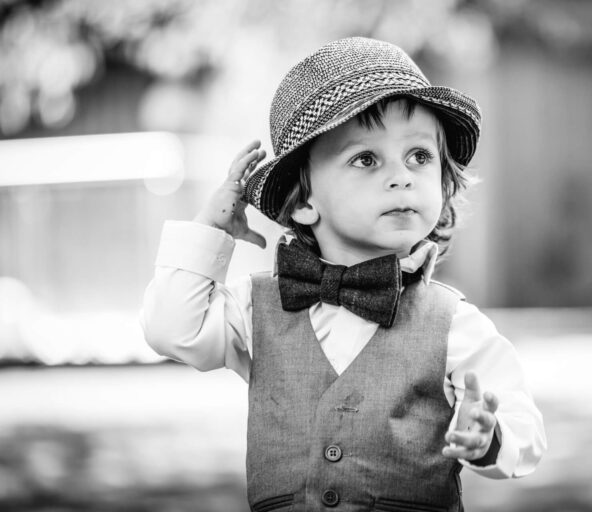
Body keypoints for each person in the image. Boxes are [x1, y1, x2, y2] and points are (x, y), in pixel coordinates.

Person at [141, 37, 546, 510]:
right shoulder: (257, 309)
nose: (403, 176)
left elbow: (524, 429)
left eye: (420, 156)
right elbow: (171, 329)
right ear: (306, 200)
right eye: (366, 159)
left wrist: (488, 434)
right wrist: (210, 228)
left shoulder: (454, 324)